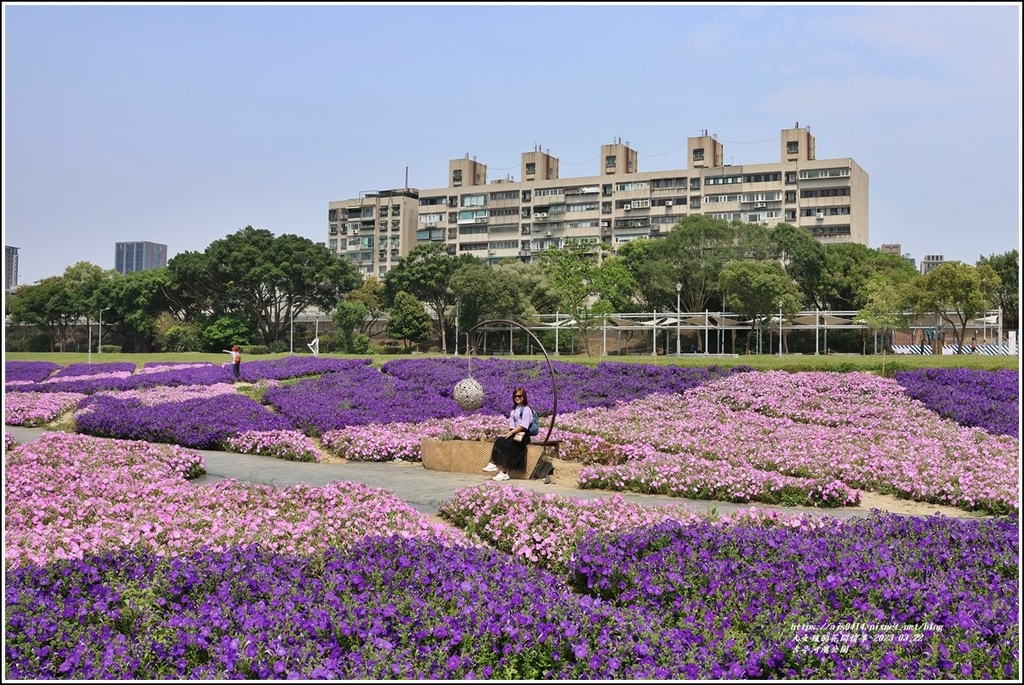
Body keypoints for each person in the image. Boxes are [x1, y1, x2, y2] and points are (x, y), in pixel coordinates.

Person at [483, 386, 535, 481]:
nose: (517, 398)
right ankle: (495, 464)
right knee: (500, 440)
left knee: (508, 444)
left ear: (524, 397)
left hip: (523, 435)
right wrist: (508, 433)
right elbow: (512, 426)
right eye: (515, 396)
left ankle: (503, 472)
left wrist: (511, 433)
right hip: (515, 433)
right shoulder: (513, 411)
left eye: (519, 396)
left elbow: (523, 426)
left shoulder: (527, 409)